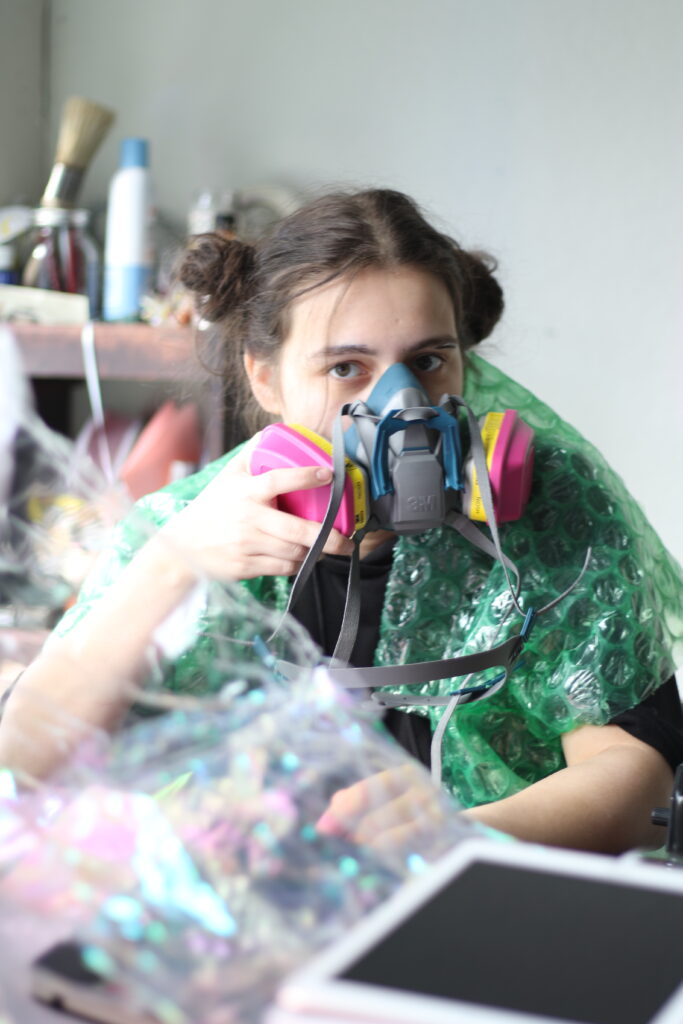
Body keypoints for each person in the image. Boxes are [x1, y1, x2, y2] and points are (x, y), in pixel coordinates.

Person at [1, 188, 682, 854]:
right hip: (272, 916)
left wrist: (463, 838)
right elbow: (24, 763)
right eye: (346, 368)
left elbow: (637, 785)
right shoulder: (194, 523)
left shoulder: (551, 509)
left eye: (427, 361)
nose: (399, 404)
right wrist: (173, 563)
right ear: (265, 379)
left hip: (503, 899)